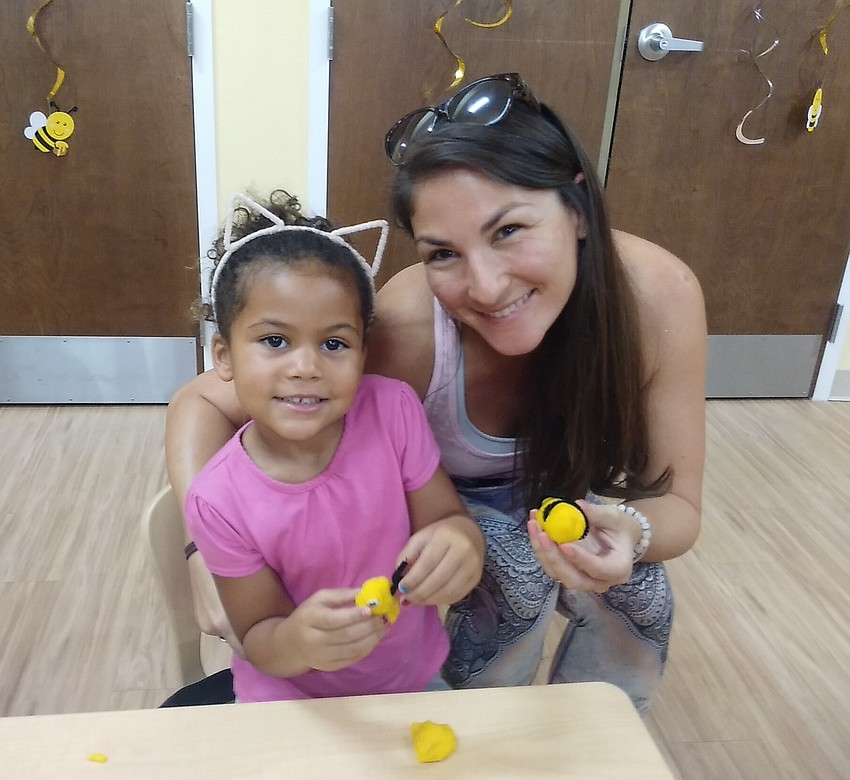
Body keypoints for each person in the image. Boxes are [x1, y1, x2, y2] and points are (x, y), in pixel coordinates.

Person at [167, 73, 706, 713]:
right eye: (443, 253)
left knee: (643, 594)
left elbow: (678, 506)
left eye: (508, 231)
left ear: (577, 209)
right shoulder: (401, 334)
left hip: (550, 502)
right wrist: (203, 551)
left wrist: (633, 533)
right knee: (514, 578)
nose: (485, 285)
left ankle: (598, 738)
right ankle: (468, 731)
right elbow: (202, 402)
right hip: (433, 512)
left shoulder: (655, 301)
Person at [181, 190, 484, 703]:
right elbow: (258, 637)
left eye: (334, 343)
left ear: (364, 352)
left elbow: (446, 519)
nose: (306, 366)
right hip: (290, 700)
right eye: (275, 341)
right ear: (223, 355)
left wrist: (461, 545)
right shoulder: (217, 499)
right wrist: (298, 641)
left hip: (411, 680)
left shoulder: (393, 412)